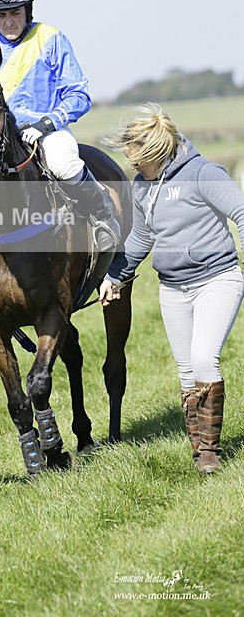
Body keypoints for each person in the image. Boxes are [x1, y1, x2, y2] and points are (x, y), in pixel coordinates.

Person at [99, 104, 244, 473]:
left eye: (136, 157)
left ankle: (210, 451)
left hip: (217, 279)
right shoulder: (143, 187)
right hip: (173, 288)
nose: (131, 163)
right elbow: (141, 237)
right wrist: (115, 276)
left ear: (154, 152)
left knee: (202, 360)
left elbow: (240, 212)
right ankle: (199, 451)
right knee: (184, 371)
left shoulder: (202, 173)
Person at [0, 0, 120, 253]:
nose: (8, 21)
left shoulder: (51, 38)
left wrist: (47, 124)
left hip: (47, 132)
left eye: (14, 12)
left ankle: (104, 219)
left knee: (62, 163)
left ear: (27, 9)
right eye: (0, 15)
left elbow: (79, 95)